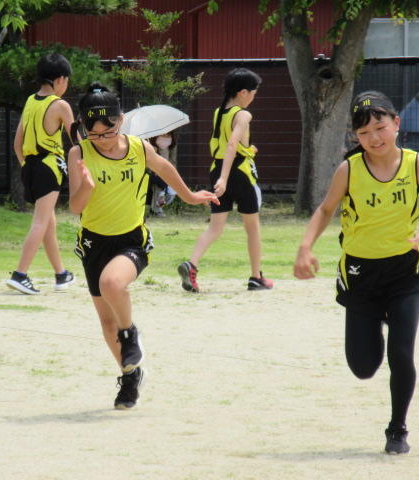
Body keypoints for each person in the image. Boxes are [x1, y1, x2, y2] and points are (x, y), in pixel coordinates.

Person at [293, 91, 419, 454]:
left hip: (405, 271)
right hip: (360, 273)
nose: (374, 138)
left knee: (402, 354)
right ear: (356, 136)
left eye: (380, 127)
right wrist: (305, 247)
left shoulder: (417, 164)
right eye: (364, 132)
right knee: (363, 367)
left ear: (396, 124)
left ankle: (397, 429)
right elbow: (325, 210)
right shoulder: (349, 169)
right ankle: (378, 321)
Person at [68, 82, 219, 409]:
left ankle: (130, 334)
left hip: (131, 240)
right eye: (94, 134)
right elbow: (75, 207)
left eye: (109, 132)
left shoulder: (139, 148)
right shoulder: (79, 153)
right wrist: (87, 188)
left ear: (120, 120)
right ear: (83, 128)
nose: (103, 140)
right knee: (107, 323)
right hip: (94, 243)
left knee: (112, 284)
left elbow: (165, 168)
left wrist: (190, 196)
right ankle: (130, 376)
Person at [178, 67, 273, 293]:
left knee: (215, 228)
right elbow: (232, 144)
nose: (253, 97)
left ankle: (191, 264)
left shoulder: (218, 112)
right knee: (252, 228)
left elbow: (227, 145)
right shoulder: (243, 114)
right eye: (253, 93)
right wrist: (225, 177)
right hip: (238, 172)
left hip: (217, 168)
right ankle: (256, 277)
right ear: (242, 92)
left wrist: (222, 174)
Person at [6, 53, 76, 295]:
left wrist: (28, 166)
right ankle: (20, 274)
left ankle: (61, 274)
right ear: (60, 80)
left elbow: (17, 143)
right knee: (40, 223)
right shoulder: (60, 105)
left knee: (48, 223)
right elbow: (77, 139)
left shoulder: (30, 101)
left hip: (29, 167)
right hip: (49, 167)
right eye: (67, 81)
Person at [147, 132, 177, 217]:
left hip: (167, 169)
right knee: (158, 189)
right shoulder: (153, 137)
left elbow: (173, 159)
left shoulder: (172, 141)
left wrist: (172, 171)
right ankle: (157, 210)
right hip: (155, 169)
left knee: (170, 193)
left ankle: (156, 208)